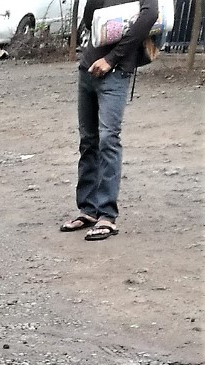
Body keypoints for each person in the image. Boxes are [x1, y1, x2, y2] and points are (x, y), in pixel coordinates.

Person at [61, 0, 158, 241]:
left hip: (115, 72)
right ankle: (88, 210)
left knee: (108, 139)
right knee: (88, 140)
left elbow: (148, 18)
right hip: (88, 69)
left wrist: (112, 59)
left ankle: (106, 215)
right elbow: (88, 18)